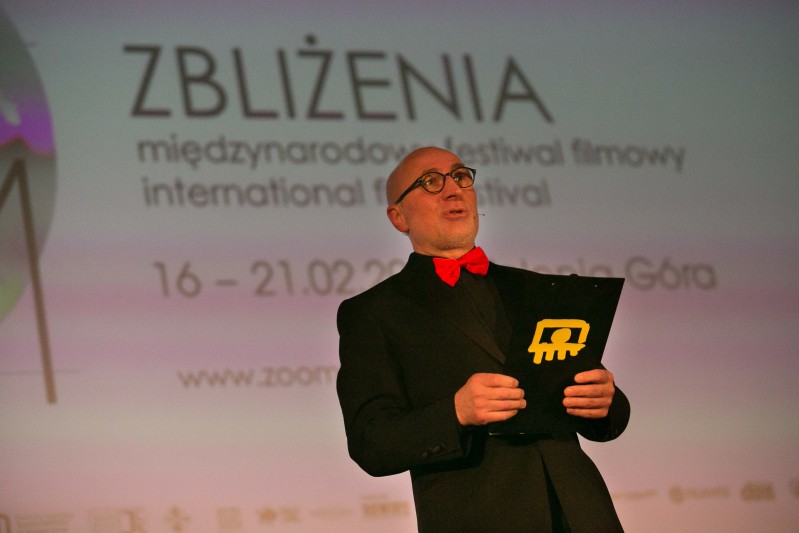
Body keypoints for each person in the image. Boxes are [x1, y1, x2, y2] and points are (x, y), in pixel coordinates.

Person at [336, 147, 630, 532]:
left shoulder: (536, 289)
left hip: (582, 515)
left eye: (460, 177)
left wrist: (604, 400)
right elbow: (370, 443)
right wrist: (456, 411)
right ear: (398, 217)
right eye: (430, 182)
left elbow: (609, 412)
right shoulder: (374, 311)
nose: (453, 190)